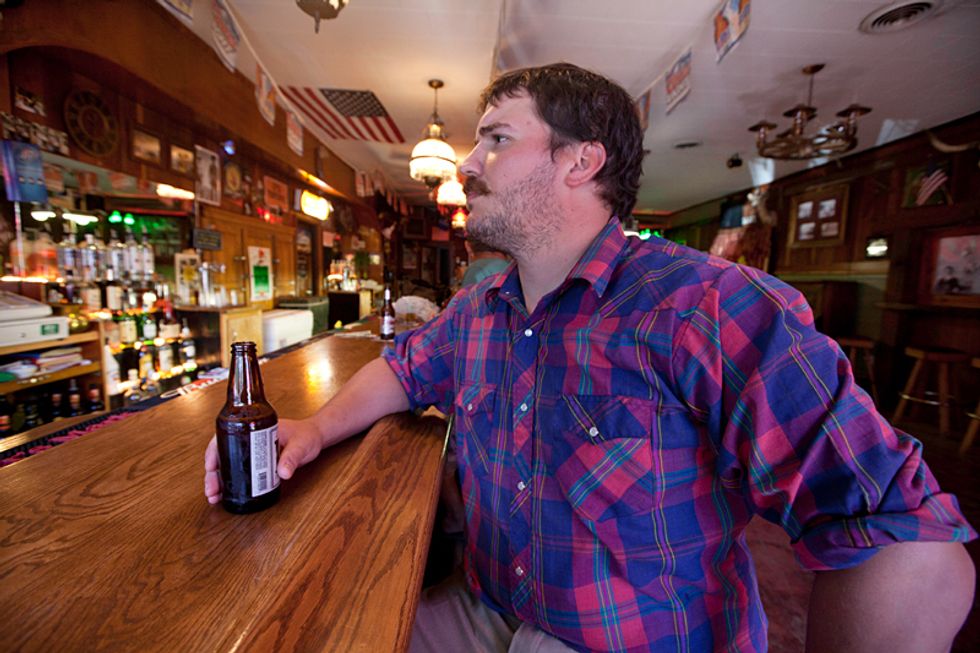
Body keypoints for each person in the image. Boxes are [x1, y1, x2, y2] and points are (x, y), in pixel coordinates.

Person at [205, 63, 976, 652]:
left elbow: (909, 543)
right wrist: (311, 429)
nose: (467, 165)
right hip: (491, 605)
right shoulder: (480, 309)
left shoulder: (707, 306)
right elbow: (401, 369)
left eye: (496, 139)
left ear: (579, 161)